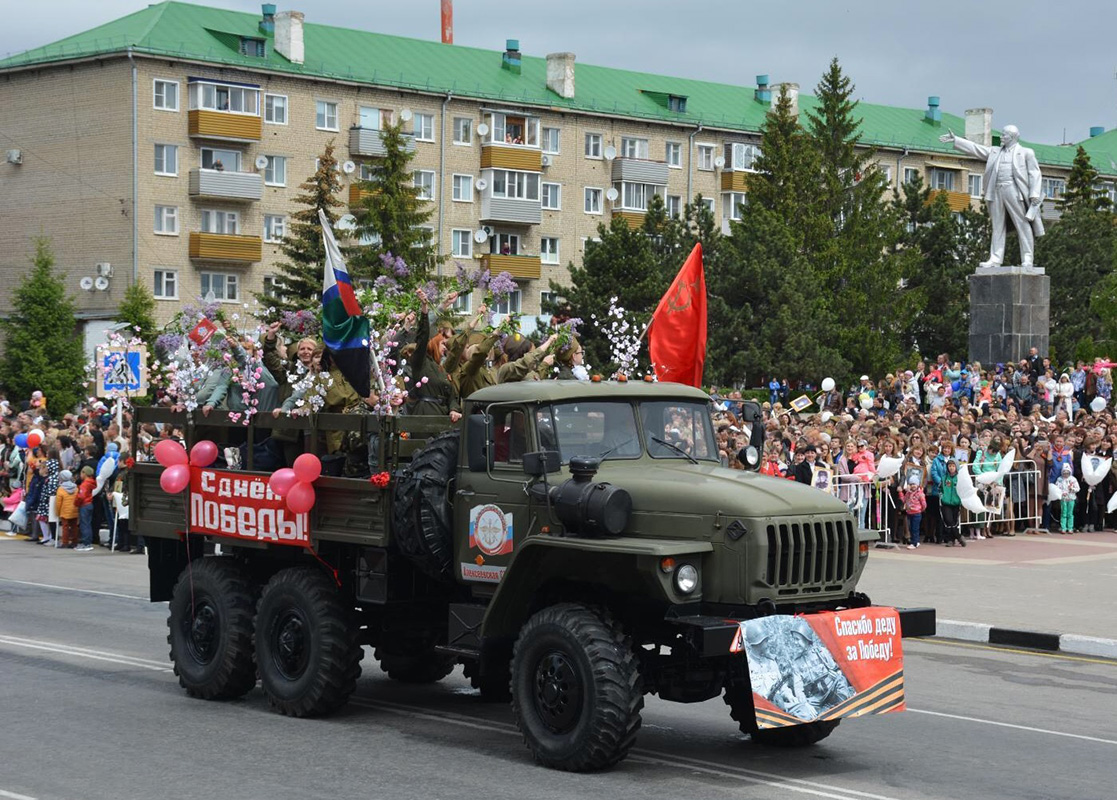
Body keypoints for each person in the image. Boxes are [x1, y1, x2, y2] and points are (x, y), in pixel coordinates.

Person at [940, 124, 1044, 268]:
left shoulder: (1026, 152)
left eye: (1004, 135)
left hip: (1015, 190)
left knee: (1022, 224)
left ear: (1012, 137)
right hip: (996, 191)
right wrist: (956, 140)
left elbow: (1035, 173)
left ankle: (1027, 258)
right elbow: (977, 149)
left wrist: (1034, 194)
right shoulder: (995, 152)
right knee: (997, 225)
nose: (1001, 137)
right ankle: (995, 259)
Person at [54, 469, 80, 548]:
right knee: (74, 527)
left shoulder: (61, 489)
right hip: (74, 510)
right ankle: (74, 542)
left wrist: (57, 512)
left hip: (64, 511)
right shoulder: (75, 487)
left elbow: (58, 503)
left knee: (65, 527)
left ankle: (65, 542)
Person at [900, 474, 927, 549]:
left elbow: (924, 503)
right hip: (910, 513)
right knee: (911, 528)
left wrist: (921, 509)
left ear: (917, 484)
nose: (912, 486)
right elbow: (904, 500)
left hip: (917, 513)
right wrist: (900, 493)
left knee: (915, 528)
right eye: (911, 484)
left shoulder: (920, 494)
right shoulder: (908, 493)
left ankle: (914, 543)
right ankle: (916, 541)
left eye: (914, 484)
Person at [75, 465, 97, 551]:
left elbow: (81, 496)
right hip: (89, 504)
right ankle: (87, 542)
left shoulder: (84, 484)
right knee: (87, 524)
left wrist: (76, 502)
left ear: (84, 473)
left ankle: (86, 543)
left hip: (84, 504)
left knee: (85, 524)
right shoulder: (92, 483)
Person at [1055, 463, 1079, 534]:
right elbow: (1057, 488)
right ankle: (1063, 528)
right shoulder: (1059, 479)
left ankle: (1070, 528)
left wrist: (1072, 489)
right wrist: (1061, 493)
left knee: (1070, 513)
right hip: (1063, 499)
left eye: (1067, 472)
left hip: (1071, 498)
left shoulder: (1073, 479)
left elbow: (1078, 488)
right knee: (1063, 513)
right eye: (1064, 472)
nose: (1065, 474)